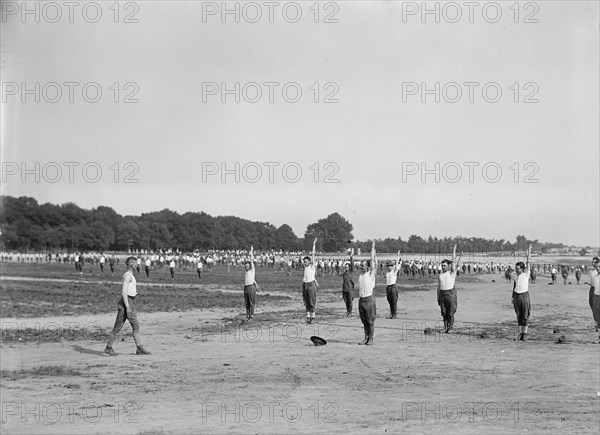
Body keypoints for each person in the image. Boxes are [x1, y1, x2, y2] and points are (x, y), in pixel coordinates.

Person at [104, 256, 150, 356]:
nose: (137, 264)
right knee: (124, 326)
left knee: (131, 325)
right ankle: (109, 348)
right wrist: (128, 306)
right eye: (136, 263)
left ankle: (138, 347)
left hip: (130, 301)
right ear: (131, 264)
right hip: (127, 302)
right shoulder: (128, 276)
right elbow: (124, 292)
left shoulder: (130, 275)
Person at [437, 245, 460, 333]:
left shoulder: (452, 273)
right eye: (442, 266)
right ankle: (445, 327)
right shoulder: (440, 275)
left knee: (450, 312)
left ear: (448, 266)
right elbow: (438, 287)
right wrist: (438, 297)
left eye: (444, 266)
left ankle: (450, 327)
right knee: (444, 312)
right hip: (442, 294)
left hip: (450, 294)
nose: (443, 267)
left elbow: (453, 261)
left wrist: (454, 250)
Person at [358, 241, 377, 345]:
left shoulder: (370, 274)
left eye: (363, 266)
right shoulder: (360, 276)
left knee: (370, 321)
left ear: (368, 267)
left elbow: (372, 260)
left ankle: (371, 338)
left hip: (368, 300)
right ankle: (365, 337)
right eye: (361, 266)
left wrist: (372, 248)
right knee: (364, 321)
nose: (361, 267)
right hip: (361, 300)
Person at [512, 245, 532, 341]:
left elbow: (529, 263)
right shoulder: (515, 276)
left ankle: (525, 333)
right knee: (518, 315)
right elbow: (514, 286)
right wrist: (512, 297)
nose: (516, 270)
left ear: (522, 269)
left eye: (518, 269)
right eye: (516, 268)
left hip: (524, 296)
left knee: (525, 315)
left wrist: (529, 254)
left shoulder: (526, 274)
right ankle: (520, 333)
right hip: (516, 295)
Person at [302, 238, 318, 324]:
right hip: (305, 285)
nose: (304, 263)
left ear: (309, 261)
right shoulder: (305, 267)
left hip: (311, 285)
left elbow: (313, 255)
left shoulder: (312, 266)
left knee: (312, 302)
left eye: (305, 261)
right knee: (306, 302)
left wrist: (313, 246)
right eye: (304, 262)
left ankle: (313, 317)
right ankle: (308, 317)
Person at [385, 251, 402, 319]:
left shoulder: (394, 272)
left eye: (390, 266)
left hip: (393, 287)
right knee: (390, 301)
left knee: (394, 301)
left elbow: (397, 265)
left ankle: (394, 314)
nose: (389, 267)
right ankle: (391, 313)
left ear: (392, 266)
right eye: (388, 266)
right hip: (388, 287)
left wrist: (398, 256)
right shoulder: (387, 273)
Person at [589, 257, 600, 337]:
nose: (598, 268)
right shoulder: (594, 274)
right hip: (595, 295)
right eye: (597, 267)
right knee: (596, 314)